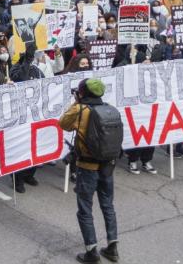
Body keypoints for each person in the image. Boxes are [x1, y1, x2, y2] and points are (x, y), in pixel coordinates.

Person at [59, 78, 119, 263]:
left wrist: (76, 103)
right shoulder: (110, 109)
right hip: (108, 166)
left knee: (85, 209)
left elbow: (63, 124)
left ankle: (91, 251)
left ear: (83, 93)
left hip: (87, 167)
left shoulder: (80, 109)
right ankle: (112, 247)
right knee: (107, 206)